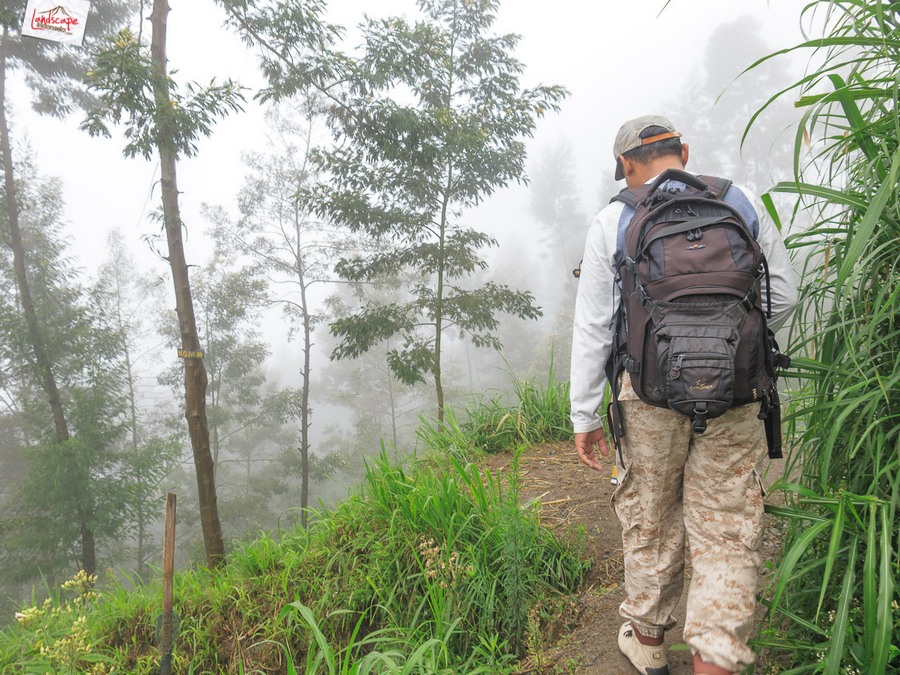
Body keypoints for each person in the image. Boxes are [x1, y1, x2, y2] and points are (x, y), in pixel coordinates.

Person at [569, 115, 797, 675]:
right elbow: (784, 297)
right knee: (725, 526)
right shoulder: (741, 202)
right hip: (738, 393)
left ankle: (647, 641)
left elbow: (595, 325)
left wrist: (584, 413)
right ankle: (715, 659)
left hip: (646, 396)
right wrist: (728, 341)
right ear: (683, 152)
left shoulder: (612, 219)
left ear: (625, 164)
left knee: (650, 514)